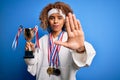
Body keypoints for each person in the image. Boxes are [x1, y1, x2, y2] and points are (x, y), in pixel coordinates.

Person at [24, 1, 96, 80]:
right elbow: (31, 63)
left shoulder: (71, 39)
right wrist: (30, 52)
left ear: (65, 20)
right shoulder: (41, 41)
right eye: (52, 18)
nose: (55, 21)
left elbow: (82, 61)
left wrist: (80, 49)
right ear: (47, 20)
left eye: (59, 17)